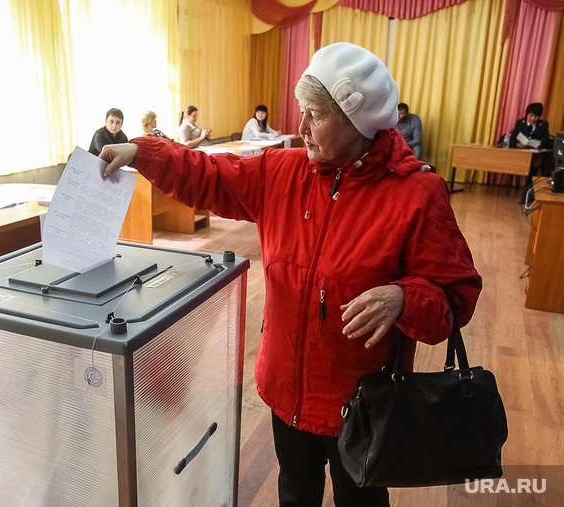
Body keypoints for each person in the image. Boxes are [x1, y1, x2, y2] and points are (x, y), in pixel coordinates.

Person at [99, 42, 481, 507]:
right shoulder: (284, 173)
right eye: (302, 111)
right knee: (294, 494)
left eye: (315, 116)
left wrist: (403, 298)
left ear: (358, 122)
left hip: (361, 405)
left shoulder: (417, 193)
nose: (300, 129)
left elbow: (455, 296)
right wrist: (140, 151)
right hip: (286, 391)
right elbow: (209, 174)